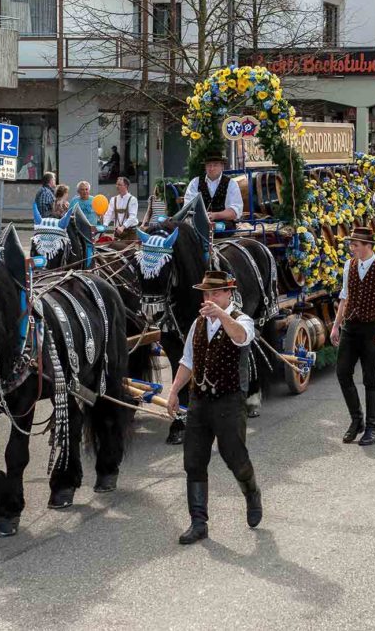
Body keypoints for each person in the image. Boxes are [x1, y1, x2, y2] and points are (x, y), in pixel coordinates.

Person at [164, 271, 262, 545]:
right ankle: (198, 523)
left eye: (216, 293)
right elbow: (187, 361)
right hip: (199, 400)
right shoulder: (197, 324)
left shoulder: (241, 320)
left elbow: (241, 337)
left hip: (229, 401)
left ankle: (252, 493)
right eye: (206, 294)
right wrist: (173, 391)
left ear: (229, 293)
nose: (210, 298)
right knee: (193, 461)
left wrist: (221, 315)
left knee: (234, 456)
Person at [330, 226, 375, 446]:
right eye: (351, 245)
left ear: (368, 246)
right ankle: (356, 420)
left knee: (370, 378)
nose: (352, 249)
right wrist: (336, 326)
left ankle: (372, 428)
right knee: (342, 372)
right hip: (350, 327)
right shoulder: (349, 265)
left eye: (356, 245)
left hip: (372, 328)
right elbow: (344, 297)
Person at [184, 153, 243, 229]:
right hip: (199, 224)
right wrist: (201, 216)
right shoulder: (195, 183)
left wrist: (215, 215)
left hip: (223, 224)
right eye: (209, 165)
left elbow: (235, 212)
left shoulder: (231, 184)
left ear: (222, 166)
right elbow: (188, 207)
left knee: (221, 227)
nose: (212, 168)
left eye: (215, 165)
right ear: (205, 167)